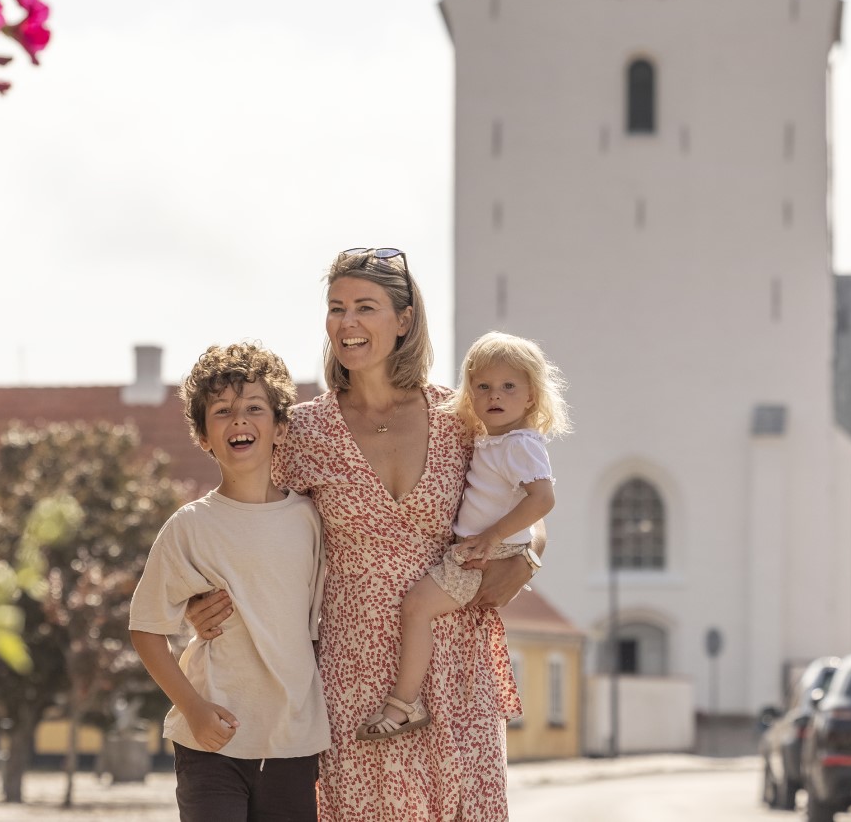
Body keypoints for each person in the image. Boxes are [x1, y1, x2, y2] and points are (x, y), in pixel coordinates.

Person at [188, 248, 543, 821]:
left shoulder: (461, 417)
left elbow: (527, 504)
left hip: (459, 663)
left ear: (403, 320)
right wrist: (200, 598)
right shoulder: (302, 430)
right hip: (353, 670)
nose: (347, 323)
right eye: (336, 308)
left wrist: (527, 562)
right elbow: (246, 519)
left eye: (365, 307)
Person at [129, 342, 330, 822]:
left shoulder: (310, 519)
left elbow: (316, 624)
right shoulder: (189, 527)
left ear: (280, 428)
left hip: (293, 741)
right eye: (222, 412)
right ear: (203, 436)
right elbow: (146, 628)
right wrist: (194, 708)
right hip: (209, 741)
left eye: (254, 408)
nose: (239, 420)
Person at [357, 331, 569, 740]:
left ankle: (403, 704)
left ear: (531, 397)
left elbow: (542, 500)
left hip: (487, 552)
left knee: (417, 608)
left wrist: (492, 538)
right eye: (483, 386)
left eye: (509, 386)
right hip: (485, 546)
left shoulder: (519, 444)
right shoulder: (495, 438)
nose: (495, 395)